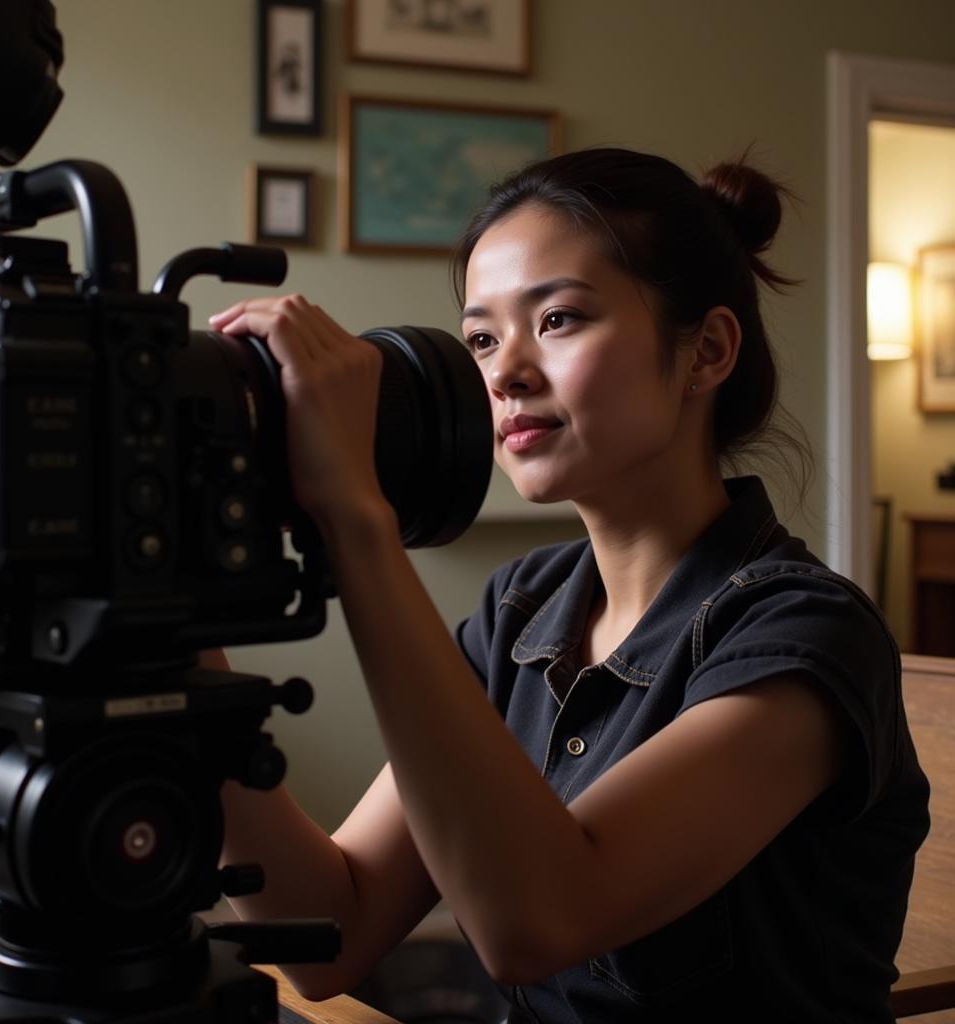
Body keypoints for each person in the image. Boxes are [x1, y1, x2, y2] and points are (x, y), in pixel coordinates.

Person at [208, 147, 930, 1023]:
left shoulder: (807, 638)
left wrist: (357, 520)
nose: (504, 372)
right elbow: (326, 934)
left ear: (705, 352)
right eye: (481, 337)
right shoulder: (523, 609)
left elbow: (541, 921)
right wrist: (178, 652)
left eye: (557, 320)